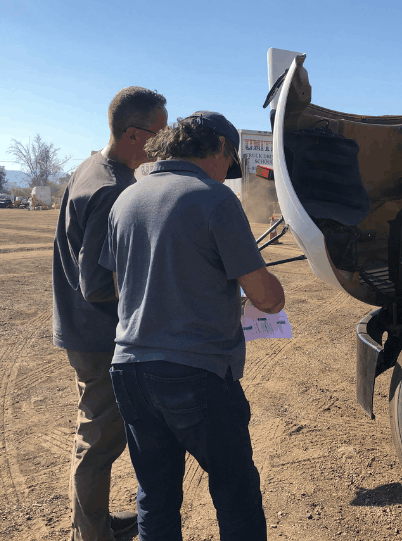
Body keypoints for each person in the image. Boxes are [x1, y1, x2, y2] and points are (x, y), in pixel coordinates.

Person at [98, 111, 284, 541]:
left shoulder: (126, 199)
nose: (228, 175)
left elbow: (122, 287)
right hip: (195, 373)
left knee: (156, 497)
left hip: (129, 370)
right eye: (230, 164)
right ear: (219, 148)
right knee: (235, 493)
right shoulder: (215, 200)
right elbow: (266, 298)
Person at [53, 86, 168, 541]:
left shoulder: (92, 167)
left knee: (99, 437)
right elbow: (98, 283)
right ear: (136, 135)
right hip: (98, 336)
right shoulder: (111, 188)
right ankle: (91, 535)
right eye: (159, 134)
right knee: (99, 443)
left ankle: (94, 523)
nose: (164, 144)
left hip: (84, 329)